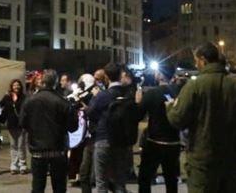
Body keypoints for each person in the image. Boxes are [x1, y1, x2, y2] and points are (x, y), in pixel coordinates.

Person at [166, 42, 236, 193]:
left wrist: (169, 107)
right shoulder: (235, 85)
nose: (196, 64)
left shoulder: (194, 86)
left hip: (202, 159)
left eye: (196, 60)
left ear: (203, 60)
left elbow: (177, 119)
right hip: (230, 156)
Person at [20, 69, 79, 193]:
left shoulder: (30, 101)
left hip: (37, 150)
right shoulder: (62, 102)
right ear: (55, 82)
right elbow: (73, 127)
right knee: (59, 187)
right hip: (58, 150)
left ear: (42, 82)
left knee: (37, 186)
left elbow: (23, 123)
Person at [86, 63, 139, 193]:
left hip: (103, 138)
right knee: (120, 182)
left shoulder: (103, 95)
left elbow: (90, 113)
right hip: (122, 141)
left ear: (106, 77)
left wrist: (94, 97)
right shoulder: (128, 93)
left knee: (101, 183)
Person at [137, 65, 180, 193]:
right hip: (174, 141)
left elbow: (139, 115)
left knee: (145, 178)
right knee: (171, 179)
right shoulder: (179, 91)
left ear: (160, 75)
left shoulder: (152, 93)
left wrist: (138, 102)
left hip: (154, 141)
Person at [0, 79, 28, 174]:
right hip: (11, 124)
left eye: (18, 85)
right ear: (11, 87)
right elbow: (0, 105)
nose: (16, 87)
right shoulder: (7, 97)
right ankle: (14, 165)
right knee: (13, 146)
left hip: (21, 124)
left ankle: (22, 164)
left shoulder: (24, 97)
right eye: (14, 85)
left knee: (21, 145)